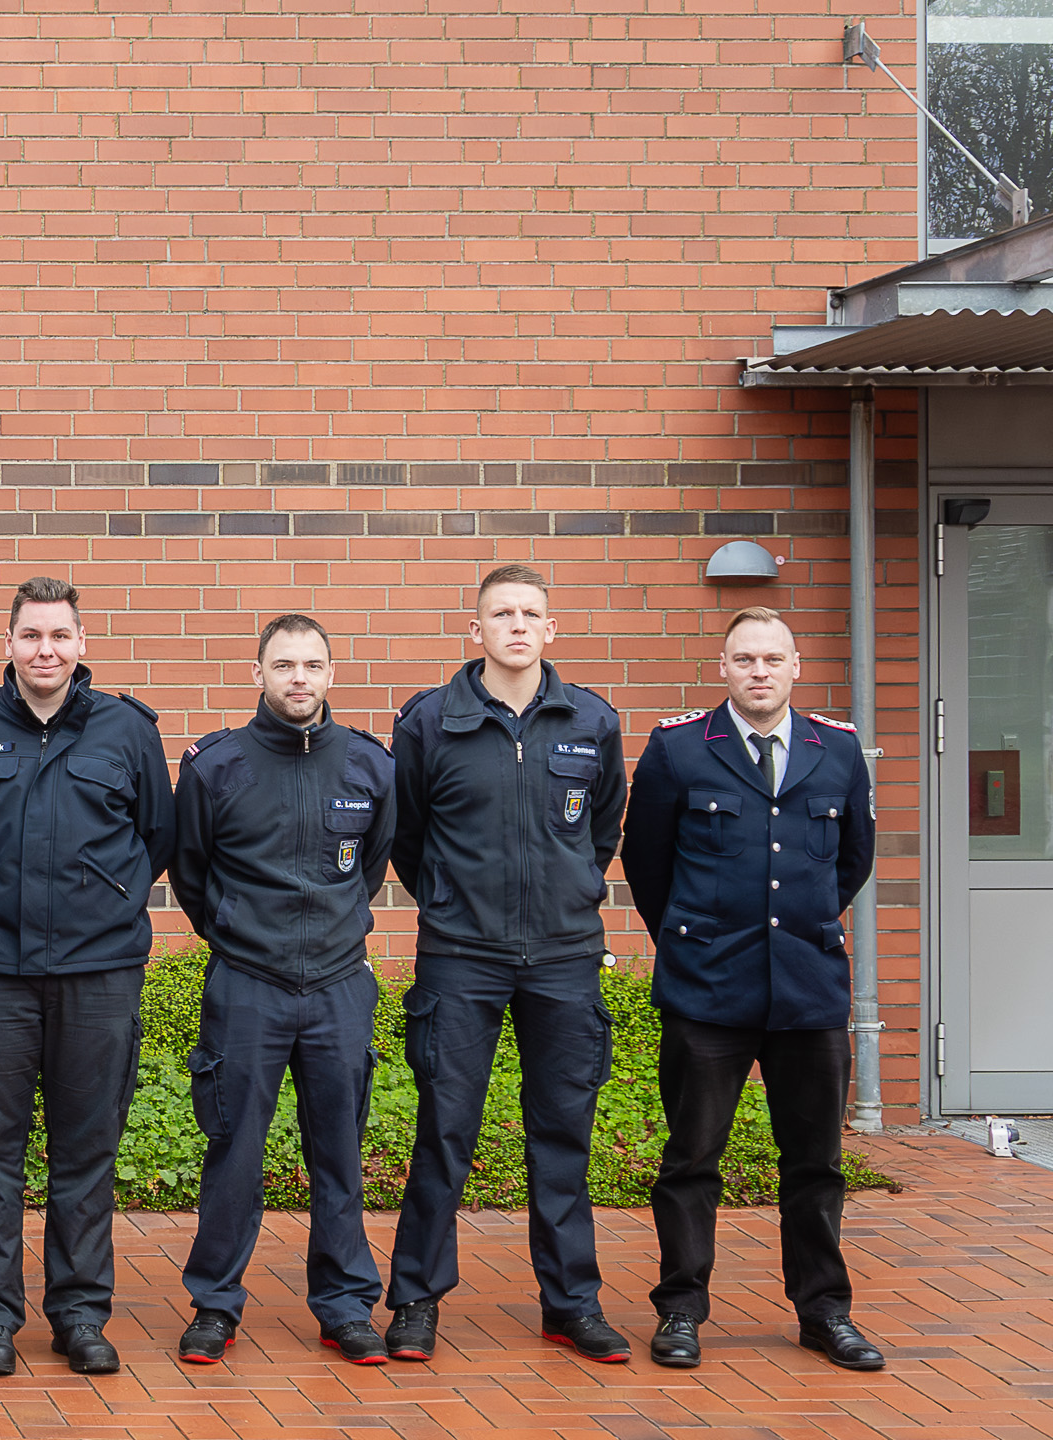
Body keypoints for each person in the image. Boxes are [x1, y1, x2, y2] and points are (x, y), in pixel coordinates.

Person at [0, 575, 176, 1379]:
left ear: (81, 644)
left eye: (59, 636)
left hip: (96, 975)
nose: (45, 650)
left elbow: (156, 836)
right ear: (8, 643)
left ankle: (78, 1313)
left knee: (86, 1150)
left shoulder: (127, 732)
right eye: (31, 635)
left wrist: (106, 907)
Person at [623, 608, 883, 1372]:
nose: (759, 672)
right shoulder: (677, 749)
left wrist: (795, 926)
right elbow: (648, 865)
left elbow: (852, 863)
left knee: (815, 1162)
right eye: (745, 659)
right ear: (724, 668)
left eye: (772, 659)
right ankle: (680, 1310)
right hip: (709, 989)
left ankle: (824, 1312)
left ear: (796, 665)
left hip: (807, 991)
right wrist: (696, 933)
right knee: (692, 1159)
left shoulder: (835, 751)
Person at [382, 562, 629, 1364]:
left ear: (550, 630)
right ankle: (416, 1301)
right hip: (462, 959)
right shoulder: (428, 722)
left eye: (531, 614)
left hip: (563, 958)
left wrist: (567, 895)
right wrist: (454, 904)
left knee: (562, 1136)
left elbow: (601, 830)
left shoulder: (592, 720)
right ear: (476, 628)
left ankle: (572, 1304)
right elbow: (409, 839)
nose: (517, 626)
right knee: (444, 1135)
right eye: (502, 614)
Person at [167, 614, 397, 1367]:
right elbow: (192, 876)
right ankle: (215, 1306)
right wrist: (241, 937)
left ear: (331, 673)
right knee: (234, 1149)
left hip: (337, 986)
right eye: (284, 665)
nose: (299, 678)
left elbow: (371, 867)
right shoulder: (215, 767)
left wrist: (328, 941)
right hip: (248, 988)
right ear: (258, 673)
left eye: (313, 665)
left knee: (339, 1151)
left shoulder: (370, 765)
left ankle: (344, 1305)